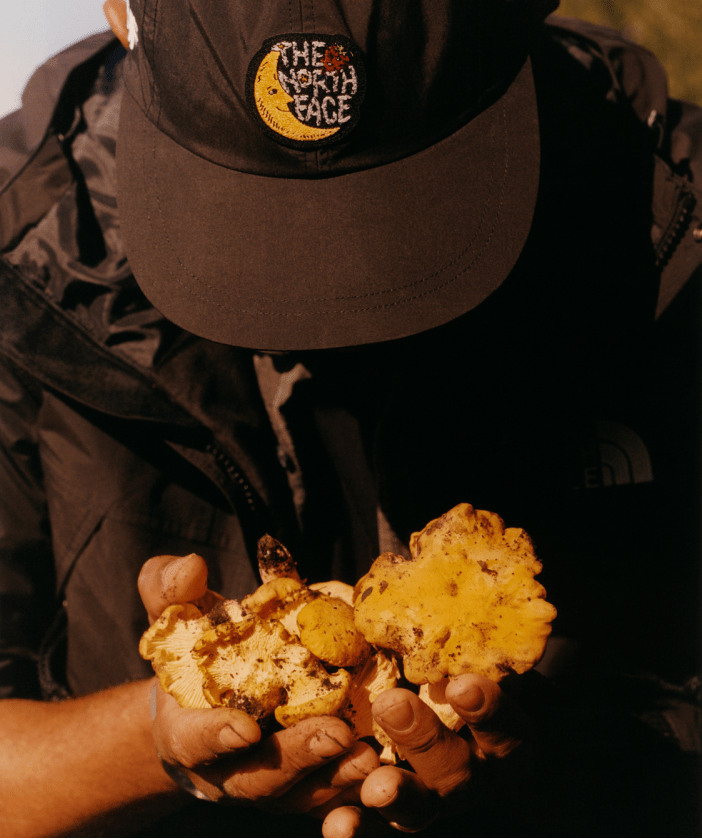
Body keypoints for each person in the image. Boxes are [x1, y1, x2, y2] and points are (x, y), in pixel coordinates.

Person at [0, 0, 700, 836]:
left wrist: (568, 768)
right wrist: (157, 734)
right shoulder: (22, 254)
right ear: (122, 7)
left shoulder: (675, 226)